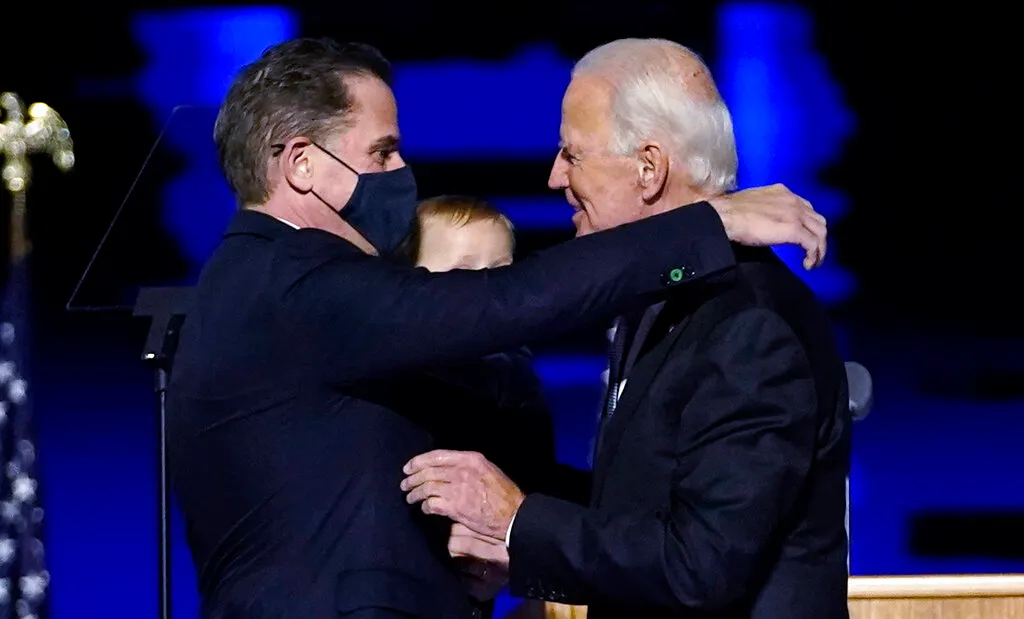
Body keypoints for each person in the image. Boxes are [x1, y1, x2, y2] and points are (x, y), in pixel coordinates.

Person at [167, 37, 828, 619]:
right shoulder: (291, 285)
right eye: (383, 151)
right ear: (302, 164)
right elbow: (507, 301)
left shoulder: (743, 318)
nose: (403, 175)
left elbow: (679, 529)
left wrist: (515, 523)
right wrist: (709, 225)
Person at [402, 38, 850, 619]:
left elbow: (700, 566)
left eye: (573, 153)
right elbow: (643, 508)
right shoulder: (670, 298)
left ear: (649, 168)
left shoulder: (748, 322)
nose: (554, 176)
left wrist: (516, 522)